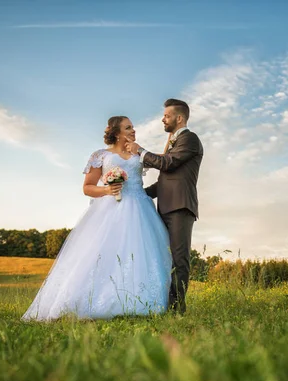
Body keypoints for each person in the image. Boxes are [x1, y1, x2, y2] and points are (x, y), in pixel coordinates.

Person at [22, 116, 172, 321]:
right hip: (110, 207)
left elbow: (163, 161)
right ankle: (98, 301)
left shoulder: (138, 151)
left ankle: (140, 302)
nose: (133, 130)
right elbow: (87, 187)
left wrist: (171, 137)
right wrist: (107, 189)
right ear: (116, 132)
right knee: (104, 253)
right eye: (128, 128)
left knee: (139, 252)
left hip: (140, 207)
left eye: (133, 127)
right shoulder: (100, 155)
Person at [126, 99, 204, 314]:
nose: (163, 119)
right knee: (162, 258)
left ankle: (177, 309)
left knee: (179, 260)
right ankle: (158, 304)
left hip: (180, 207)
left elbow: (167, 164)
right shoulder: (174, 142)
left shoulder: (190, 139)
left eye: (167, 116)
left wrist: (139, 151)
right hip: (164, 208)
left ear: (179, 118)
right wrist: (137, 193)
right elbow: (164, 181)